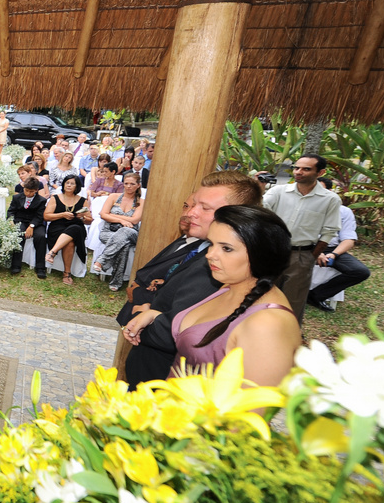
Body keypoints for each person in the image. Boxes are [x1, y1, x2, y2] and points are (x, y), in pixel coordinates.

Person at [116, 171, 264, 388]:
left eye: (205, 208)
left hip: (166, 386)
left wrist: (145, 316)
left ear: (236, 215)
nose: (191, 213)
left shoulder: (218, 265)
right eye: (193, 205)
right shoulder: (202, 247)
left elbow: (178, 332)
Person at [125, 206, 300, 386]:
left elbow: (253, 401)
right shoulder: (229, 286)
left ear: (261, 254)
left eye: (226, 248)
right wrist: (153, 315)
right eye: (211, 244)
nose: (210, 255)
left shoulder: (268, 325)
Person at [262, 153, 341, 322]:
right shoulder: (278, 191)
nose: (298, 172)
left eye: (306, 169)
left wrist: (310, 257)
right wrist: (258, 186)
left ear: (320, 173)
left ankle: (289, 334)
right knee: (262, 295)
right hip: (272, 252)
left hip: (301, 255)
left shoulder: (330, 200)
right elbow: (259, 208)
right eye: (296, 168)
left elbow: (330, 230)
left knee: (293, 302)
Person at [307, 178, 370, 312]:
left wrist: (334, 254)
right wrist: (316, 252)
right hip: (305, 246)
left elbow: (348, 239)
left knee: (360, 271)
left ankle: (315, 295)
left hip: (331, 248)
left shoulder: (344, 212)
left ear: (330, 192)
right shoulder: (302, 208)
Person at [93, 172, 144, 292]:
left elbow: (135, 220)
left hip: (131, 233)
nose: (128, 186)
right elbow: (103, 214)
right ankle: (116, 281)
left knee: (125, 231)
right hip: (108, 231)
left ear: (138, 185)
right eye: (126, 183)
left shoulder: (141, 201)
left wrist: (112, 215)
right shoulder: (113, 197)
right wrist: (122, 220)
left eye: (132, 184)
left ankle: (102, 260)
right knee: (123, 244)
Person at [43, 175, 91, 285]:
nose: (69, 185)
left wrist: (82, 217)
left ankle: (52, 253)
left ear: (77, 186)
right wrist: (62, 215)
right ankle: (67, 273)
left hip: (77, 227)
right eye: (67, 183)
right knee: (70, 242)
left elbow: (89, 220)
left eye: (72, 183)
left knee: (75, 228)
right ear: (63, 184)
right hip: (58, 226)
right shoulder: (55, 198)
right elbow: (46, 216)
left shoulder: (83, 200)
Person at [8, 177, 48, 279]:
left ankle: (40, 267)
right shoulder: (17, 197)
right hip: (20, 221)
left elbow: (39, 216)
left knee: (41, 236)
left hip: (36, 223)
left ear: (36, 190)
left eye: (31, 191)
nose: (28, 193)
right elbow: (11, 211)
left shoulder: (41, 200)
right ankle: (15, 265)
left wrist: (32, 226)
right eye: (26, 190)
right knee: (19, 233)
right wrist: (11, 220)